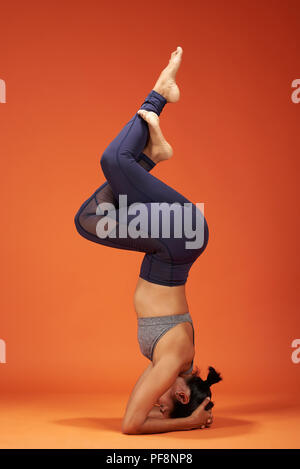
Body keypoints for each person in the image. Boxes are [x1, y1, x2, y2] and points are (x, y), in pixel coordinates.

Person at [74, 46, 222, 435]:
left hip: (173, 242)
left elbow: (142, 412)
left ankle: (153, 154)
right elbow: (131, 425)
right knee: (114, 160)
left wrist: (183, 414)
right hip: (177, 238)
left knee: (88, 219)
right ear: (183, 395)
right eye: (167, 402)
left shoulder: (174, 365)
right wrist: (190, 423)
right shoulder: (173, 359)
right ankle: (159, 94)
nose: (157, 401)